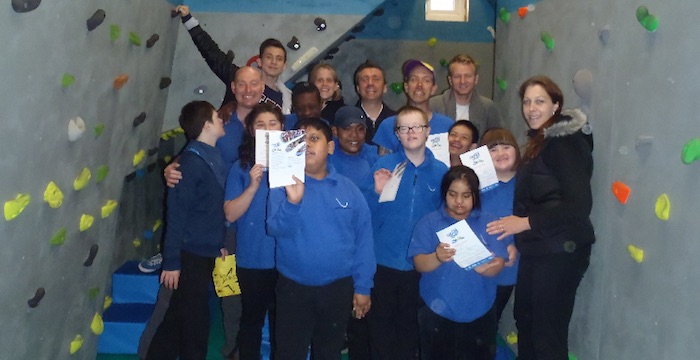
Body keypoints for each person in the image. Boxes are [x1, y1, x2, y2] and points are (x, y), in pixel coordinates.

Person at [486, 76, 595, 360]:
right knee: (528, 321)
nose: (531, 108)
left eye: (540, 101)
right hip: (538, 248)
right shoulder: (542, 142)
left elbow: (578, 204)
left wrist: (524, 224)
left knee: (547, 333)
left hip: (561, 250)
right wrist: (519, 240)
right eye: (526, 102)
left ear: (556, 106)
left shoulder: (565, 143)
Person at [267, 118, 376, 360]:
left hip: (337, 288)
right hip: (293, 287)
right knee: (288, 352)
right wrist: (293, 203)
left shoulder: (349, 190)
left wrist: (363, 286)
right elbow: (275, 229)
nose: (306, 145)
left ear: (330, 147)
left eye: (314, 138)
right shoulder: (282, 185)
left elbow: (364, 242)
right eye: (300, 139)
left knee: (328, 352)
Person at [360, 106, 448, 360]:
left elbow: (446, 216)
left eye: (417, 127)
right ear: (396, 134)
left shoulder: (441, 171)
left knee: (411, 333)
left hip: (420, 265)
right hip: (383, 263)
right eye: (404, 128)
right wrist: (375, 192)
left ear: (428, 131)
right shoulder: (383, 165)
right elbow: (363, 216)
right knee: (380, 331)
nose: (411, 132)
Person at [144, 101, 229, 360]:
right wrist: (171, 262)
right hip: (189, 253)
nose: (221, 120)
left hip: (204, 251)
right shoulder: (190, 163)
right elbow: (177, 214)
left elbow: (211, 211)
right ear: (206, 125)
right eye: (217, 117)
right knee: (195, 321)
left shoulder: (210, 156)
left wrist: (218, 244)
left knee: (178, 316)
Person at [409, 165, 506, 360]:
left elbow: (499, 264)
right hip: (436, 312)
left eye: (466, 195)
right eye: (452, 194)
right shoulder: (429, 222)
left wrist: (485, 268)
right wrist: (436, 257)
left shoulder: (489, 222)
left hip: (480, 311)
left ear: (475, 196)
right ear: (444, 194)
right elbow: (419, 263)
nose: (459, 201)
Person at [224, 103, 284, 360]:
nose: (268, 130)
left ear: (283, 128)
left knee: (285, 324)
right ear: (251, 130)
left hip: (289, 258)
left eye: (273, 124)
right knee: (251, 321)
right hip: (254, 258)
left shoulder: (295, 163)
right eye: (261, 125)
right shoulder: (241, 167)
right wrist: (252, 186)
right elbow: (230, 214)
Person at [175, 5, 291, 113]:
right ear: (259, 61)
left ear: (284, 65)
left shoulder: (287, 101)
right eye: (269, 57)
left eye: (279, 59)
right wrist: (190, 21)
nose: (274, 62)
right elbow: (212, 53)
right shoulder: (238, 76)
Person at [478, 128, 521, 323]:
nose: (501, 153)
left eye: (506, 147)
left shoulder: (527, 184)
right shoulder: (473, 185)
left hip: (510, 267)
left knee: (491, 322)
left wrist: (516, 245)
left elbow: (537, 221)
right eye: (493, 149)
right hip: (476, 265)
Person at [372, 60, 454, 155]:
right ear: (406, 86)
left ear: (433, 89)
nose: (419, 85)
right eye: (414, 79)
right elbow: (382, 165)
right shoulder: (388, 125)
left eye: (426, 80)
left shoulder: (447, 126)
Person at [429, 54, 501, 136]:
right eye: (457, 76)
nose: (463, 81)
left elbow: (494, 139)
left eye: (468, 76)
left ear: (476, 79)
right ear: (450, 80)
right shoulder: (433, 106)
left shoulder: (488, 107)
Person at [329, 106, 379, 186]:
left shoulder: (373, 157)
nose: (354, 135)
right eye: (347, 129)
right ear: (335, 131)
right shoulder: (327, 159)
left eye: (360, 129)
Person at [353, 60, 397, 144]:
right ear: (358, 88)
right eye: (364, 80)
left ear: (384, 87)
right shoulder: (347, 121)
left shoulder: (397, 120)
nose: (370, 83)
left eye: (376, 79)